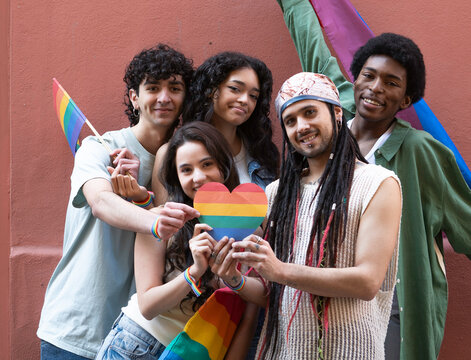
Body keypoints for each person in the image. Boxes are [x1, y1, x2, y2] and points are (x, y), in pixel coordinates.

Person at [276, 1, 471, 359]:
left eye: (391, 83)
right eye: (368, 75)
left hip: (395, 302)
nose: (375, 88)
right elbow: (310, 42)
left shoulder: (419, 151)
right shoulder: (330, 124)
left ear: (406, 98)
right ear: (354, 76)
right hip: (325, 302)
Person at [212, 72, 402, 359]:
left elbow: (367, 282)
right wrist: (234, 279)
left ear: (337, 113)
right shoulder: (277, 194)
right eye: (290, 121)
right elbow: (273, 293)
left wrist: (280, 270)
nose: (301, 126)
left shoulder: (379, 183)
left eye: (310, 112)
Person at [37, 44, 198, 360]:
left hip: (137, 338)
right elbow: (101, 202)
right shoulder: (99, 148)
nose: (164, 97)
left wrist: (145, 198)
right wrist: (155, 217)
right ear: (135, 98)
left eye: (175, 88)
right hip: (76, 332)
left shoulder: (186, 162)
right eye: (153, 88)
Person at [95, 122, 246, 359]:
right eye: (186, 170)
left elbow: (250, 306)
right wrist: (195, 271)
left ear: (223, 166)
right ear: (177, 177)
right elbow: (148, 306)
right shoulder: (159, 221)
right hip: (136, 345)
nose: (198, 177)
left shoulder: (246, 229)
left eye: (207, 164)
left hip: (193, 352)